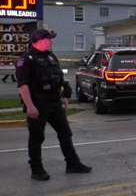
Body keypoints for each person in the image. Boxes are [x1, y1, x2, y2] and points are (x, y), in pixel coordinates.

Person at [16, 29, 92, 181]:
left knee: (65, 134)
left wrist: (64, 93)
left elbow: (58, 76)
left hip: (54, 101)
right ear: (39, 41)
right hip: (38, 103)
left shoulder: (51, 56)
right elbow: (23, 85)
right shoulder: (26, 60)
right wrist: (30, 106)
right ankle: (36, 169)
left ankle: (72, 163)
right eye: (49, 39)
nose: (52, 41)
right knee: (37, 137)